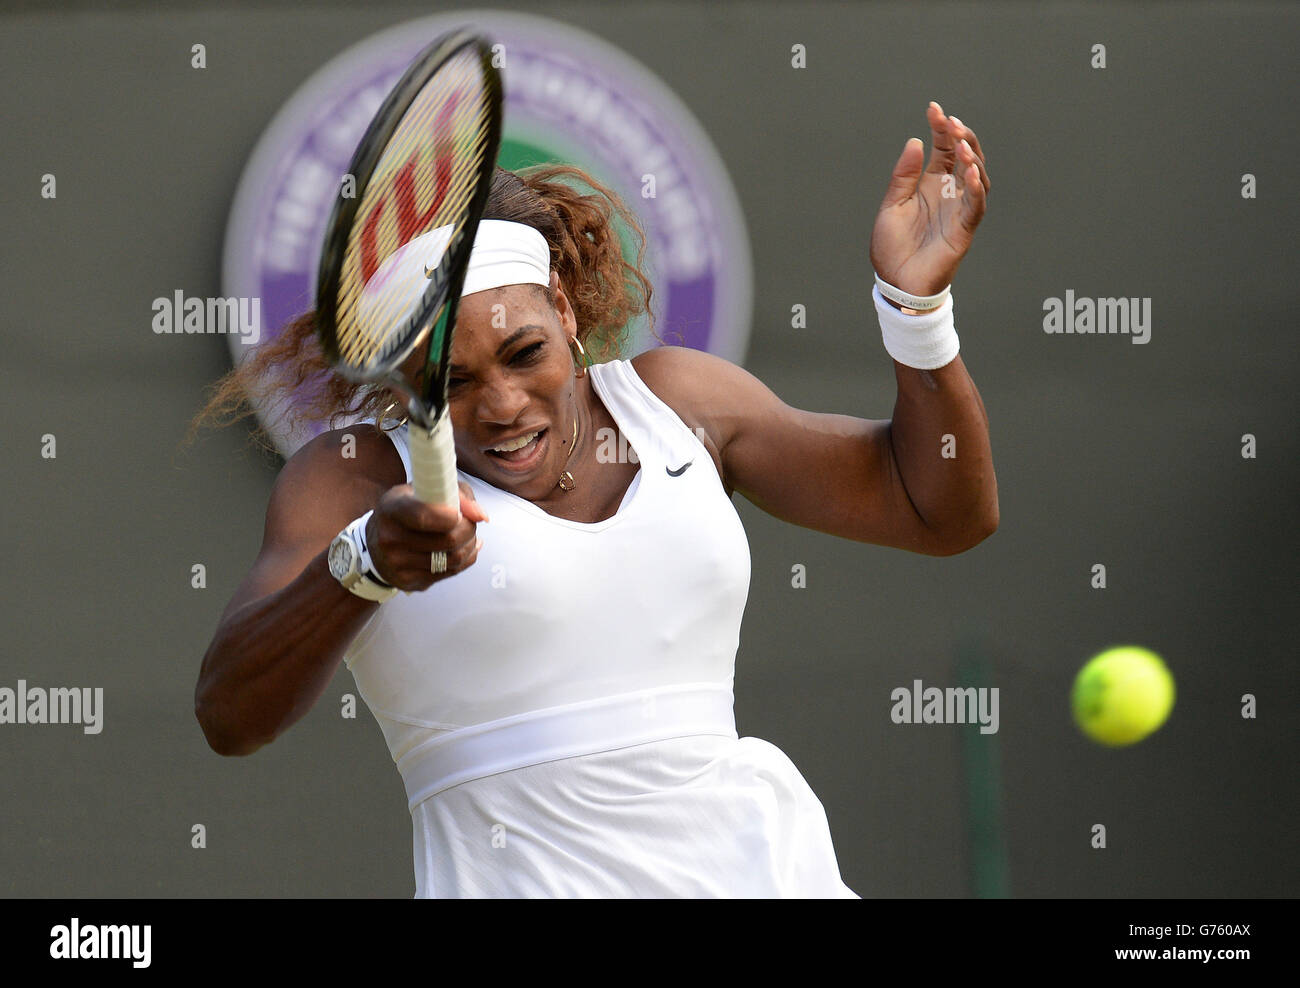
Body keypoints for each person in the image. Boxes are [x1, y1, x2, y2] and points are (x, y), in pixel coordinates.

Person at [193, 100, 995, 898]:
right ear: (400, 380)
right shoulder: (353, 477)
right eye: (451, 381)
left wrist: (916, 310)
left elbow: (939, 510)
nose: (503, 404)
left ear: (565, 313)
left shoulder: (679, 400)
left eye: (524, 352)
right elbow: (231, 716)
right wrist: (363, 564)